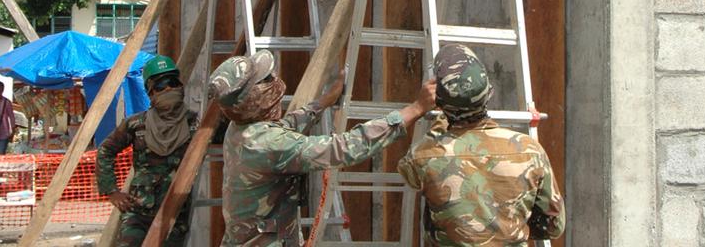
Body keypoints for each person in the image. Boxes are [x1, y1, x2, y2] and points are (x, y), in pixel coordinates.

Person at [209, 49, 437, 246]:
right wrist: (414, 110)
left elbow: (284, 127)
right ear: (255, 98)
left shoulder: (239, 129)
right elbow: (342, 148)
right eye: (267, 79)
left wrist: (322, 102)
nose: (275, 80)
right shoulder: (268, 145)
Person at [398, 44, 566, 245]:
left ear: (439, 102)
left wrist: (438, 126)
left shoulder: (423, 155)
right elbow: (554, 225)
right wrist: (511, 231)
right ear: (489, 94)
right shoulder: (530, 150)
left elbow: (408, 172)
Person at [96, 56, 197, 247]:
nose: (168, 89)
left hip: (175, 212)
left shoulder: (194, 123)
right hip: (139, 211)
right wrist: (111, 191)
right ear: (151, 93)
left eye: (172, 83)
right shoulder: (136, 124)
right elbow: (106, 151)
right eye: (161, 86)